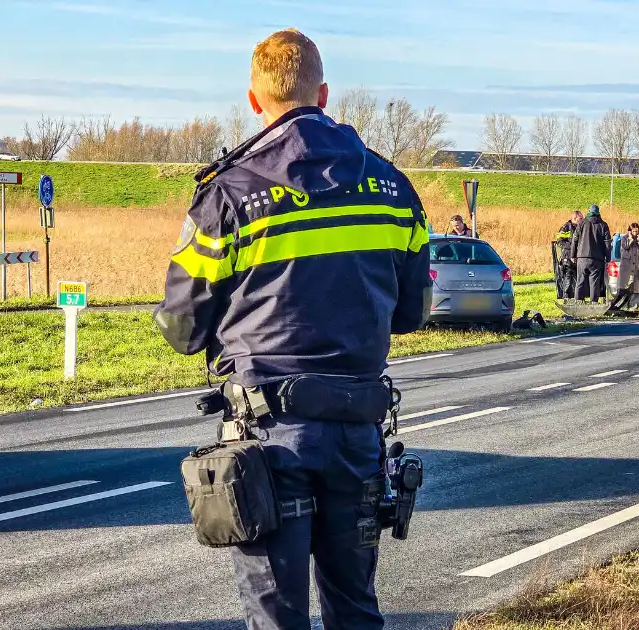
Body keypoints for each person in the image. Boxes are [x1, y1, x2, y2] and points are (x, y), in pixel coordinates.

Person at [153, 28, 431, 630]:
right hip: (358, 432)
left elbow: (181, 327)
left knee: (277, 616)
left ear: (254, 100)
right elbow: (413, 313)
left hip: (268, 435)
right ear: (324, 94)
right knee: (356, 609)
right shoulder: (392, 188)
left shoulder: (228, 194)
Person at [570, 204, 611, 302]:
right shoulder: (603, 225)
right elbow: (607, 244)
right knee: (594, 283)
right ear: (598, 212)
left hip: (582, 258)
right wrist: (608, 259)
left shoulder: (581, 223)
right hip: (597, 259)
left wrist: (572, 255)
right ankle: (593, 303)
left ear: (589, 211)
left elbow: (574, 240)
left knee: (580, 281)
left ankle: (578, 302)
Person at [608, 222, 639, 312]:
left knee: (637, 289)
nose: (635, 233)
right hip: (627, 268)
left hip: (638, 267)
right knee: (625, 288)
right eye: (633, 231)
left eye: (637, 231)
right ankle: (622, 306)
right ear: (630, 231)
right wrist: (630, 238)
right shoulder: (624, 239)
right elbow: (626, 246)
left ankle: (633, 307)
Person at [554, 210, 582, 299]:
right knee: (568, 277)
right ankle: (566, 297)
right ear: (575, 218)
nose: (583, 219)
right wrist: (572, 247)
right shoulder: (566, 227)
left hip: (579, 257)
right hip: (567, 257)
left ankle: (578, 297)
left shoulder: (582, 227)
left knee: (579, 278)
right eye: (581, 218)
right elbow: (559, 241)